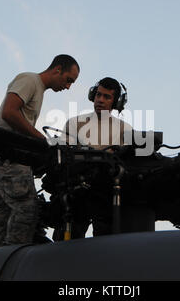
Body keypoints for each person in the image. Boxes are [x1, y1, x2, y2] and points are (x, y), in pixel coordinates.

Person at [0, 54, 80, 253]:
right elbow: (9, 112)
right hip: (9, 159)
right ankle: (12, 261)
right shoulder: (29, 80)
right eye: (69, 80)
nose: (68, 87)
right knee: (27, 210)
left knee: (1, 216)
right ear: (57, 69)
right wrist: (43, 141)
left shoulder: (38, 88)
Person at [52, 77, 133, 241]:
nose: (100, 100)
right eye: (98, 95)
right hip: (76, 190)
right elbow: (65, 155)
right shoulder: (75, 123)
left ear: (116, 102)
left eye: (107, 97)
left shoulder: (125, 129)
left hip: (106, 194)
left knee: (106, 241)